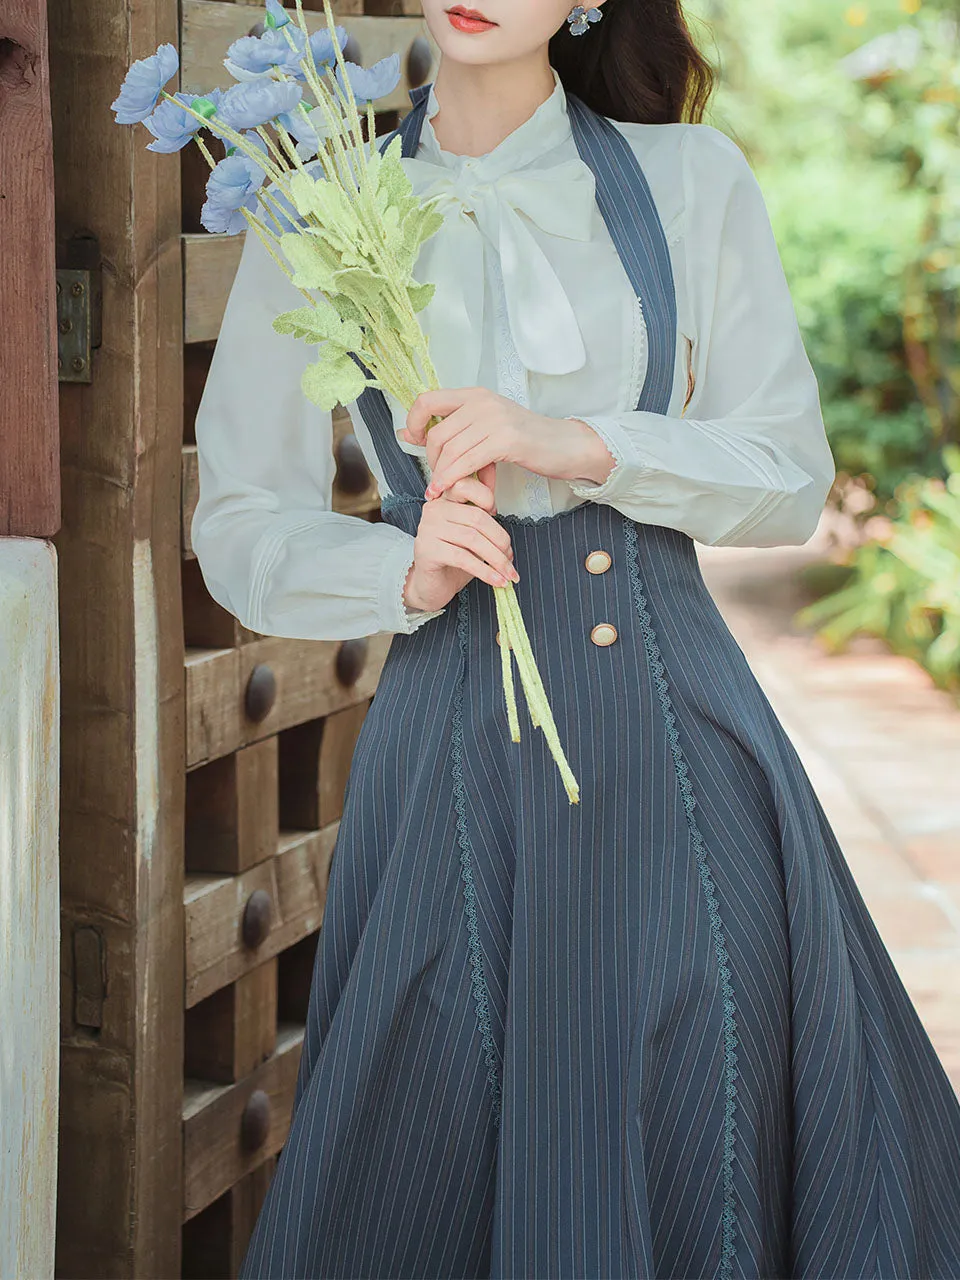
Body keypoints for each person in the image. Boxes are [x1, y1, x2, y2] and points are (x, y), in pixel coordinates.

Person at [192, 1, 960, 1275]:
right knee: (426, 1144)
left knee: (698, 1129)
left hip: (677, 742)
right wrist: (405, 566)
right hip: (450, 744)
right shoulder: (324, 204)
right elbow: (237, 520)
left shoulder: (688, 176)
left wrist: (579, 441)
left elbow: (786, 475)